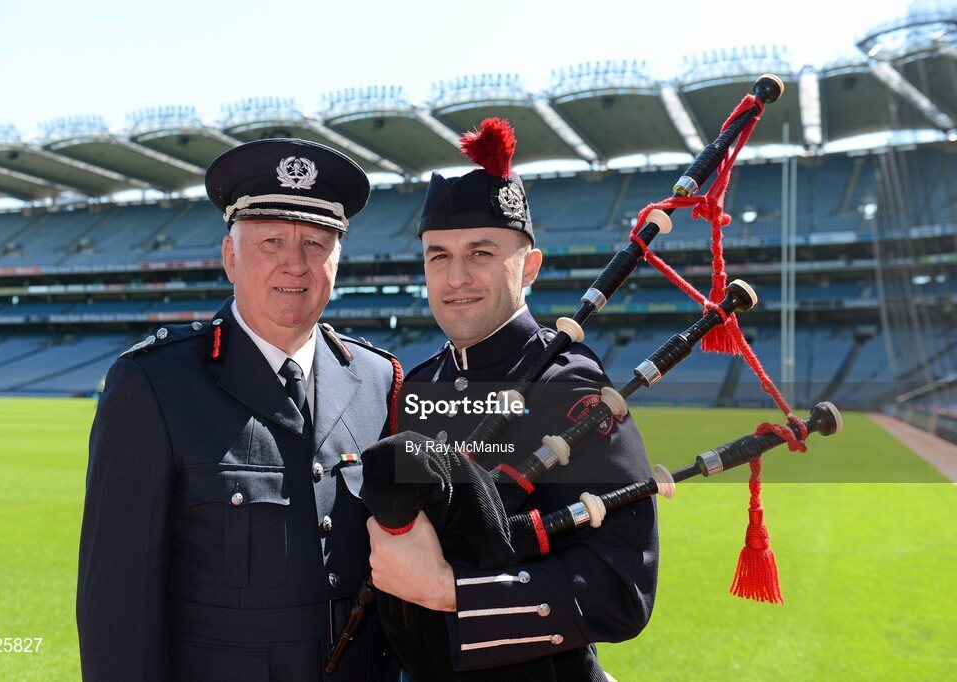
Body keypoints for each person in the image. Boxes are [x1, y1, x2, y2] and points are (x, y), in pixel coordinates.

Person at [77, 139, 401, 681]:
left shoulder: (377, 380)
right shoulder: (155, 384)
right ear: (230, 256)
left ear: (337, 260)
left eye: (317, 243)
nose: (294, 264)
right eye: (271, 241)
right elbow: (118, 604)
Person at [365, 120, 659, 680]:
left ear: (529, 266)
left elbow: (623, 587)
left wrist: (453, 593)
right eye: (437, 255)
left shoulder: (570, 389)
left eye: (480, 252)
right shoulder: (417, 384)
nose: (455, 276)